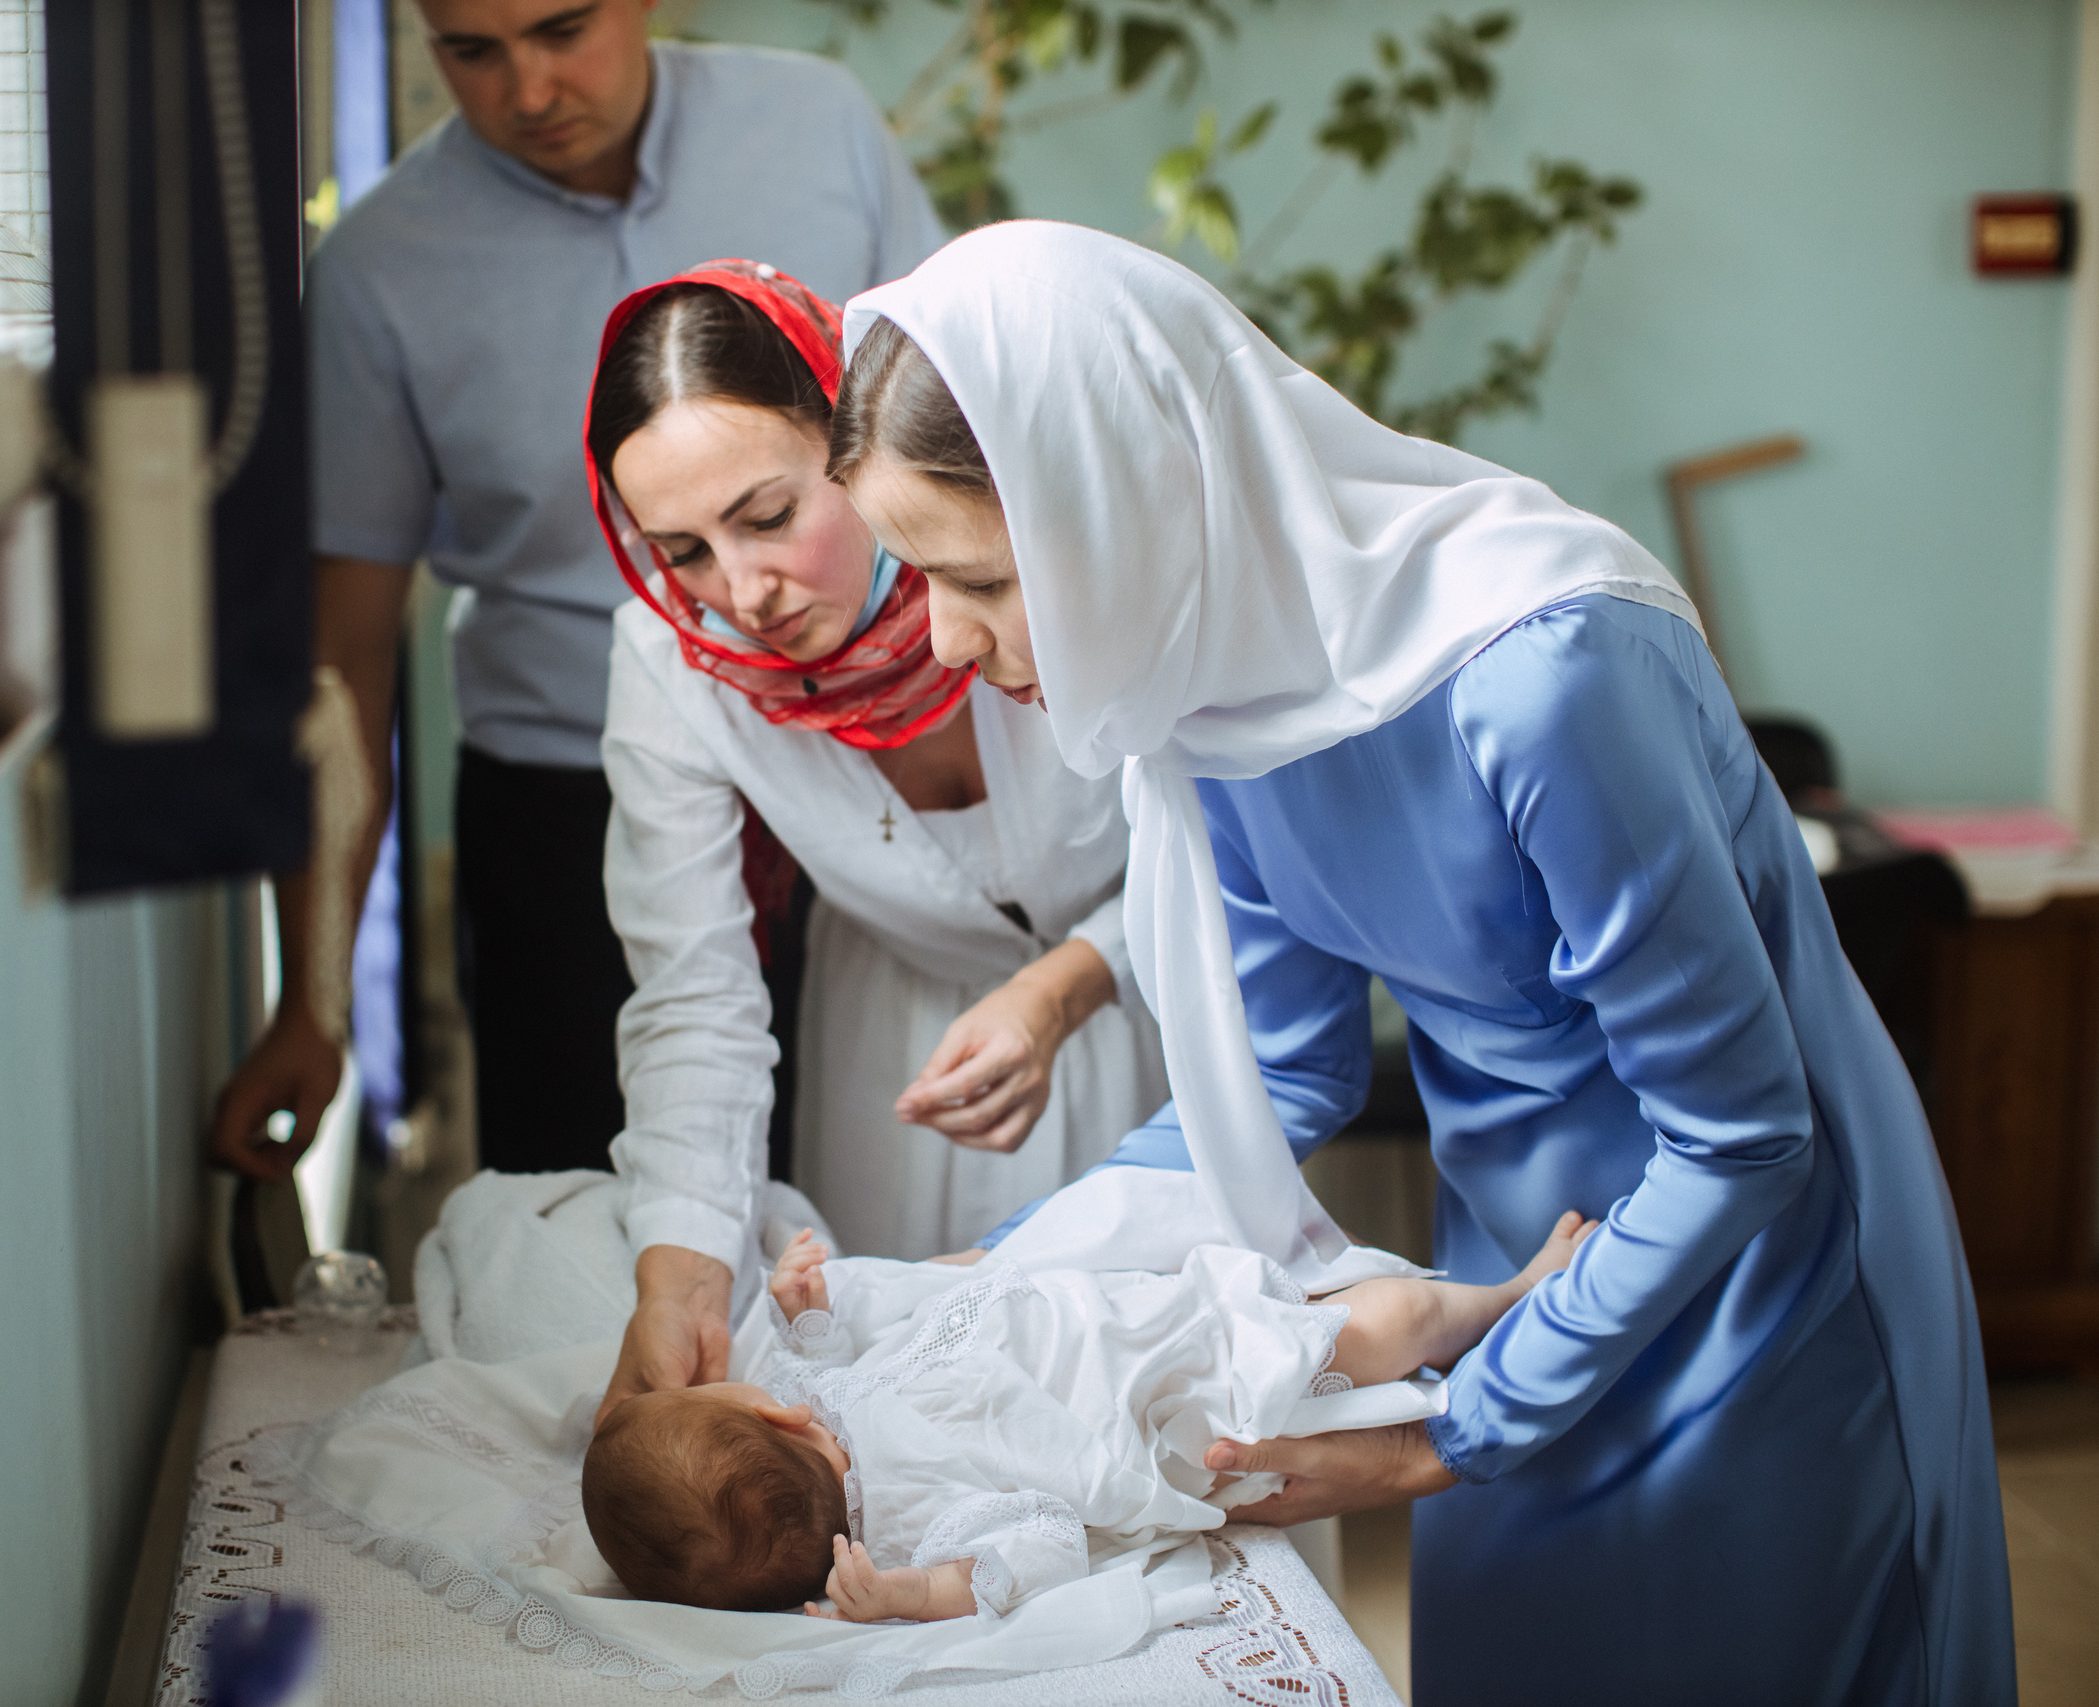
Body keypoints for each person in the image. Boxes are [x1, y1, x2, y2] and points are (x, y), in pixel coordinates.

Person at [822, 221, 2013, 1705]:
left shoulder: (1546, 672)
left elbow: (1741, 1133)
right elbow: (1275, 1072)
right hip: (1509, 1280)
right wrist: (1010, 1281)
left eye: (982, 578)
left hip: (1757, 1287)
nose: (947, 640)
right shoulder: (1217, 702)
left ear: (1119, 502)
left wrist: (1442, 1433)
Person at [210, 0, 943, 1181]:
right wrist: (315, 1002)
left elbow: (950, 434)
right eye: (473, 52)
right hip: (567, 819)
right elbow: (339, 664)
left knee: (881, 1209)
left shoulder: (820, 129)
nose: (531, 90)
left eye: (562, 29)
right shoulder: (378, 273)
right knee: (594, 1237)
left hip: (875, 775)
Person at [583, 262, 1168, 1413]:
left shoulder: (1053, 546)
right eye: (684, 551)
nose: (740, 591)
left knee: (1145, 1413)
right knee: (895, 1419)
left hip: (1162, 1012)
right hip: (895, 1053)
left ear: (850, 439)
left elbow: (1240, 859)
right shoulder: (672, 664)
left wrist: (1064, 988)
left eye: (768, 517)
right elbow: (696, 1000)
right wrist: (685, 1276)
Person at [583, 1176, 1597, 1619]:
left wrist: (809, 1310)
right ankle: (1513, 1299)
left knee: (1370, 1313)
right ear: (766, 1416)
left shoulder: (825, 1395)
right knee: (1379, 1327)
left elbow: (851, 1330)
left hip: (1131, 1312)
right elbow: (1036, 1549)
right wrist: (910, 1596)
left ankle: (1496, 1301)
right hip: (1177, 1388)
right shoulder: (911, 1525)